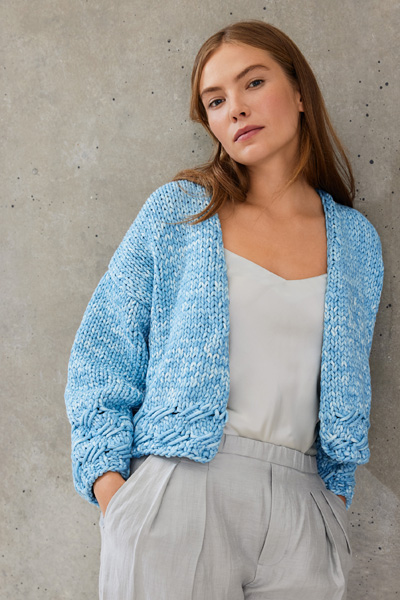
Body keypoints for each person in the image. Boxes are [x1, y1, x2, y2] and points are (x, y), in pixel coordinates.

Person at [65, 20, 384, 600]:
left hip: (305, 509)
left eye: (253, 83)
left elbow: (347, 385)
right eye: (215, 100)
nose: (235, 108)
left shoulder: (357, 241)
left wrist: (334, 498)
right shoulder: (181, 212)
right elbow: (102, 353)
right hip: (182, 491)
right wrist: (117, 496)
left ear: (300, 92)